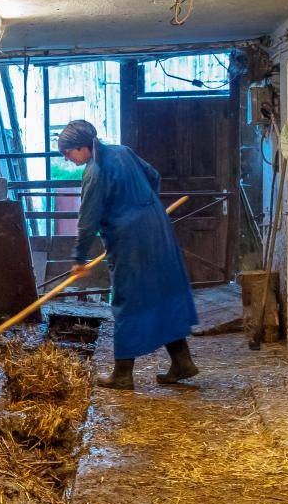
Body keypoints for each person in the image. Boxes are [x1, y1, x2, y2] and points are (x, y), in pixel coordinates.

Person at [60, 119, 199, 390]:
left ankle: (122, 374)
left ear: (81, 147)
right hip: (158, 228)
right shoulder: (122, 151)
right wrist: (145, 208)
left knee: (126, 298)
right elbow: (154, 176)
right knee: (164, 292)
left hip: (129, 240)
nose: (66, 158)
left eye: (67, 152)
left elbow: (88, 221)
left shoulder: (94, 172)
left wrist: (79, 258)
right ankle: (182, 362)